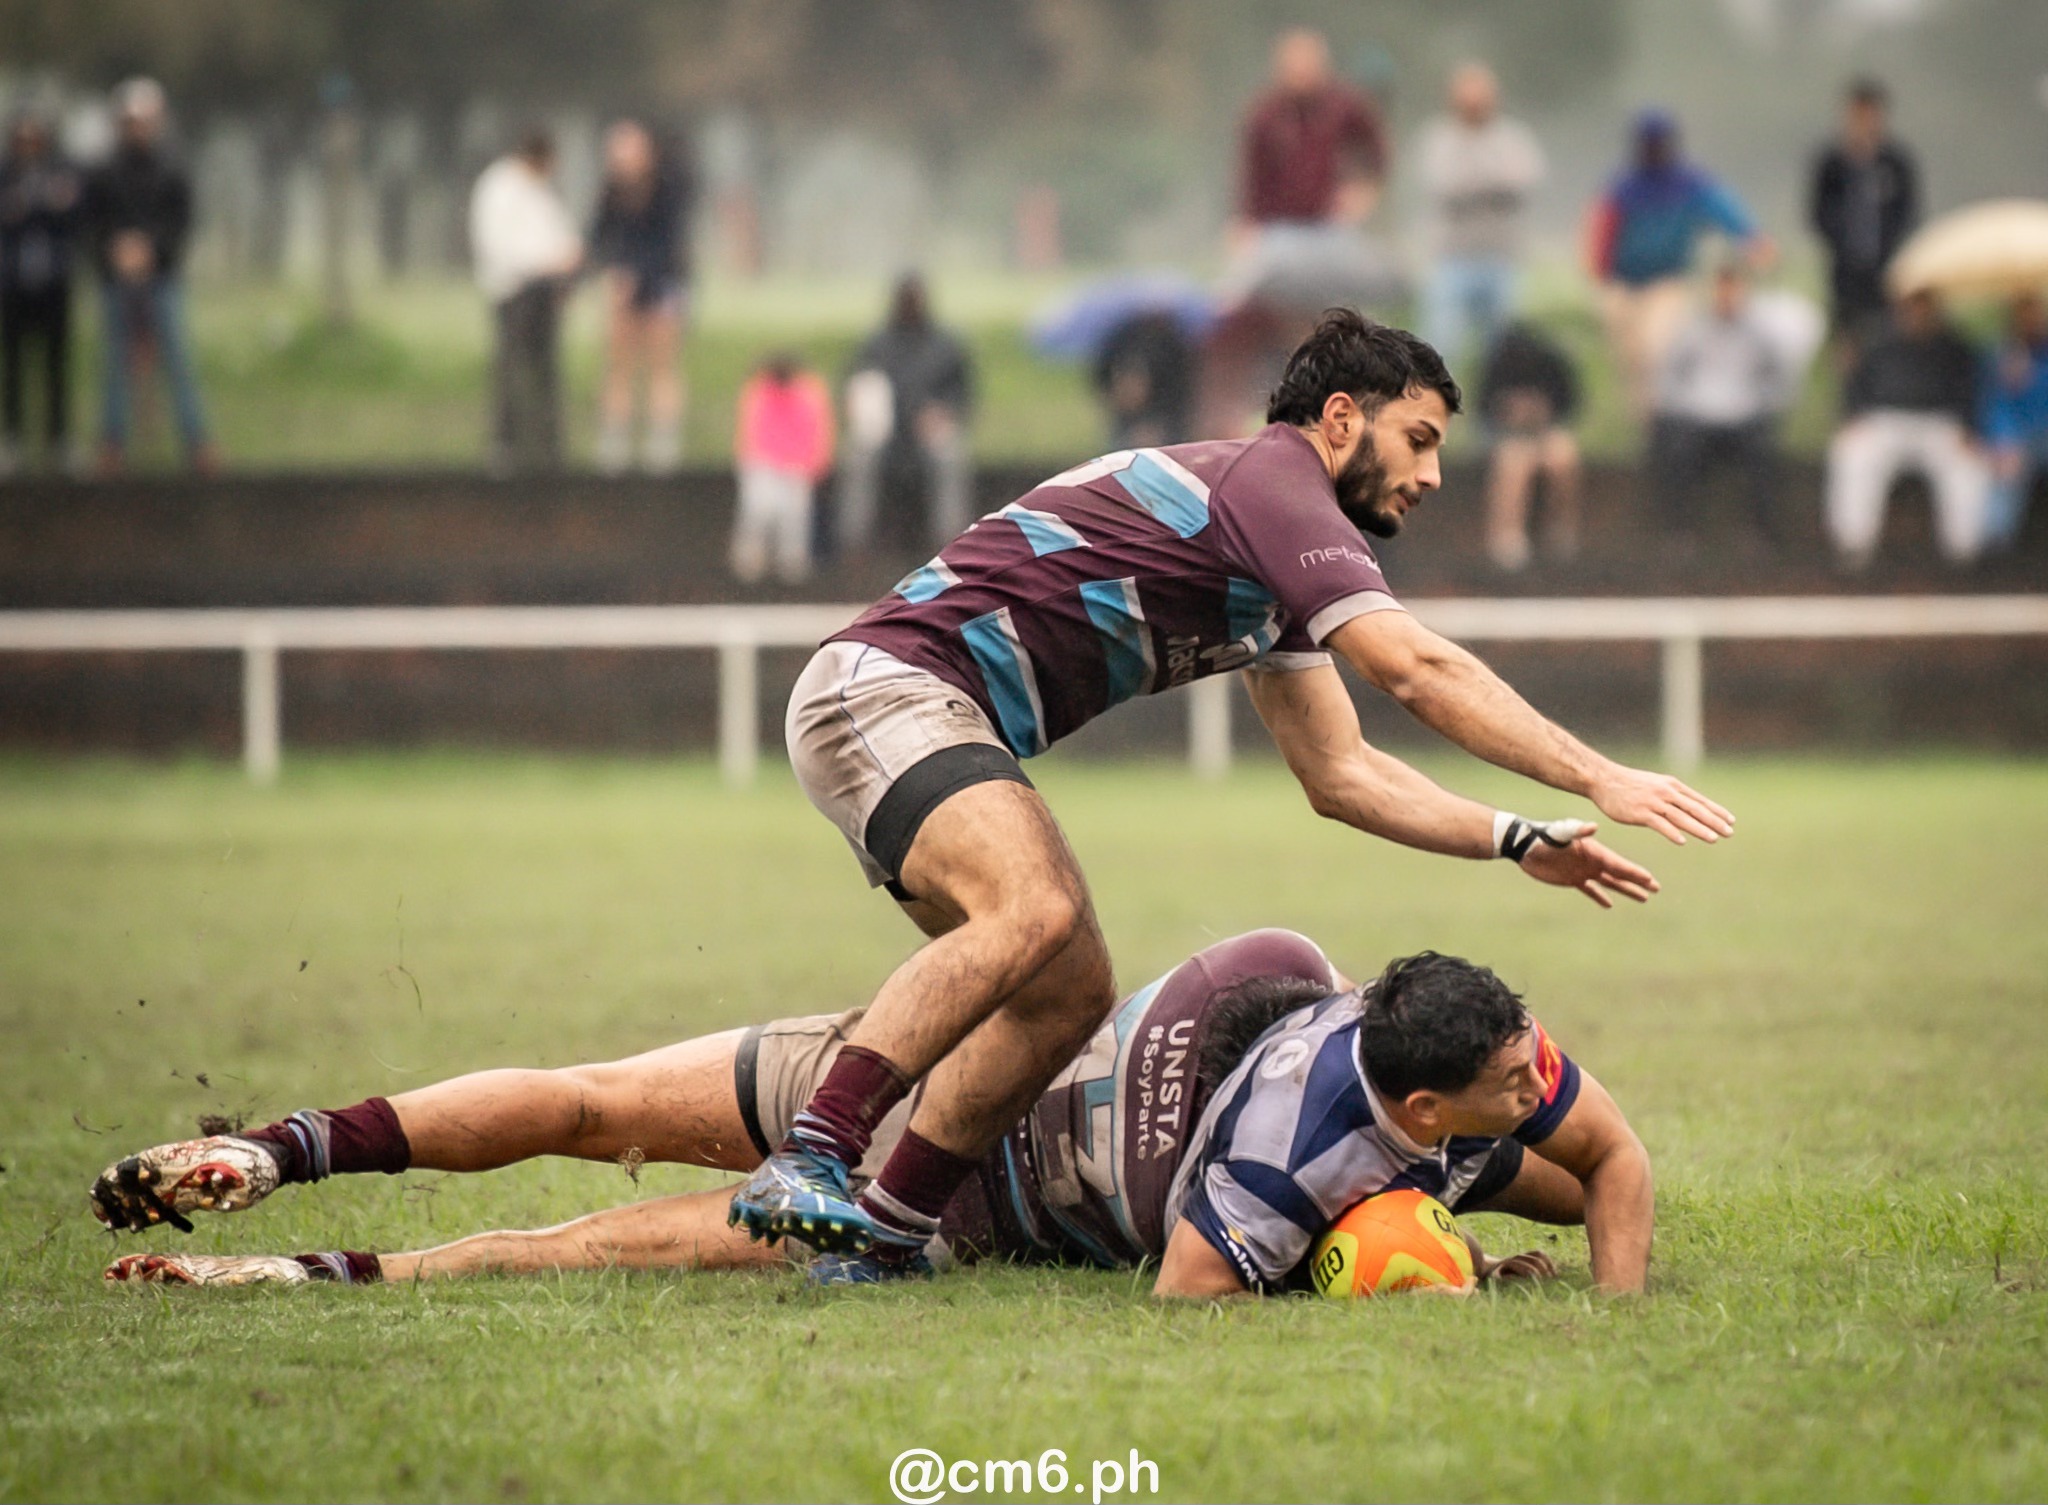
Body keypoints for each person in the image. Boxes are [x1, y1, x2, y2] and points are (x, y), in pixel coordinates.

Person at [724, 309, 1729, 1285]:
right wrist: (1600, 774)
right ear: (1340, 418)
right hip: (888, 688)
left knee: (1065, 994)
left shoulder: (1265, 547)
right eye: (1419, 440)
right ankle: (815, 1149)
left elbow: (1342, 773)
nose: (1430, 474)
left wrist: (1513, 836)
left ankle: (887, 1235)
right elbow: (1411, 666)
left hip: (920, 709)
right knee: (1035, 907)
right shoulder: (1274, 484)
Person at [88, 930, 1651, 1297]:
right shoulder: (1279, 1162)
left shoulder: (1356, 1018)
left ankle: (275, 1188)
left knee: (589, 1104)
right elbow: (1194, 1293)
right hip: (927, 1194)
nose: (1543, 1085)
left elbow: (1604, 1172)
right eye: (1517, 1080)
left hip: (895, 1071)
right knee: (583, 1216)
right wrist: (1405, 1269)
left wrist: (1570, 1286)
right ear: (1425, 1100)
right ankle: (287, 1221)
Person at [1587, 110, 1766, 421]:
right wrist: (1600, 273)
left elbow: (1725, 211)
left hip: (1666, 283)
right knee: (1633, 362)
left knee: (1658, 349)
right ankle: (1648, 426)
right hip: (1623, 284)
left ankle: (1667, 419)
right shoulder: (1623, 187)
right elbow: (1601, 231)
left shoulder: (1689, 184)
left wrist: (1752, 239)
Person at [81, 79, 214, 475]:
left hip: (162, 278)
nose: (138, 128)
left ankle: (198, 443)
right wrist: (115, 252)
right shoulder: (103, 171)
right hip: (115, 279)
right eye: (131, 121)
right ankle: (112, 444)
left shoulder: (173, 168)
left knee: (177, 360)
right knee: (116, 364)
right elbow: (92, 224)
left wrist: (150, 250)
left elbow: (182, 222)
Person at [1825, 287, 1986, 569]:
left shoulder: (1954, 345)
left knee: (1969, 466)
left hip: (1939, 424)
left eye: (1924, 305)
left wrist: (1968, 428)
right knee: (1852, 454)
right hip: (1884, 420)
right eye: (1911, 306)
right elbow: (1857, 384)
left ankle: (1963, 551)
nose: (1917, 313)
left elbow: (1969, 390)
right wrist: (1852, 416)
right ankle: (1853, 544)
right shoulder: (1874, 338)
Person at [1413, 62, 1546, 375]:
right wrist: (1493, 186)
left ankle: (1494, 403)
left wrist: (1475, 184)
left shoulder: (1513, 137)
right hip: (1451, 258)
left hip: (1501, 257)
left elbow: (1525, 181)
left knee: (1504, 348)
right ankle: (1435, 403)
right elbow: (1443, 187)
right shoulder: (1438, 139)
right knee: (1440, 344)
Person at [1647, 262, 1796, 541]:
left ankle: (1762, 529)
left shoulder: (1760, 334)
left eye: (1734, 292)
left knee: (1763, 453)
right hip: (1697, 416)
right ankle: (1678, 527)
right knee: (1676, 448)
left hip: (1745, 417)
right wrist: (1680, 405)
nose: (1727, 298)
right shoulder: (1693, 330)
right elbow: (1670, 374)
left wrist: (1763, 404)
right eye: (1722, 291)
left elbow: (1779, 377)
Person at [837, 274, 975, 557]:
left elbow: (962, 391)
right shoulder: (877, 343)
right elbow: (857, 384)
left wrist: (943, 412)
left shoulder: (945, 344)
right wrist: (859, 409)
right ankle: (853, 542)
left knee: (949, 457)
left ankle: (951, 539)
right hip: (884, 428)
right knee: (859, 458)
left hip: (930, 426)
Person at [469, 129, 581, 475]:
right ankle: (505, 445)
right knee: (511, 369)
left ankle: (548, 448)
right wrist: (547, 262)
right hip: (513, 292)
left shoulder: (540, 190)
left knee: (546, 372)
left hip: (544, 292)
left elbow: (558, 233)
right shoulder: (499, 188)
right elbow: (499, 245)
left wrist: (566, 261)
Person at [589, 120, 694, 475]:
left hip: (662, 284)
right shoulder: (610, 191)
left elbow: (669, 242)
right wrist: (611, 273)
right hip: (623, 288)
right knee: (617, 366)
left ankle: (663, 443)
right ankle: (614, 442)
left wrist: (637, 274)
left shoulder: (667, 188)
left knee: (663, 365)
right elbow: (599, 236)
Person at [1235, 28, 1388, 239]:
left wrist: (1363, 192)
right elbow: (1252, 175)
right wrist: (1246, 222)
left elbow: (1376, 149)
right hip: (1279, 227)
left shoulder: (1344, 106)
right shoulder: (1265, 115)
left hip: (1331, 223)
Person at [1808, 79, 1920, 357]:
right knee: (1846, 345)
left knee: (1887, 339)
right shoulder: (1832, 163)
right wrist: (1842, 242)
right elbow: (1818, 213)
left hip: (1886, 269)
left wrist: (1890, 247)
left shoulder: (1896, 163)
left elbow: (1907, 213)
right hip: (1844, 272)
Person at [0, 110, 83, 476]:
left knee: (56, 364)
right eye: (23, 140)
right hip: (14, 282)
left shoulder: (60, 171)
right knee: (13, 364)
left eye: (35, 139)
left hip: (54, 281)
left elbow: (74, 214)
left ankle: (58, 439)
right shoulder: (6, 174)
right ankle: (12, 437)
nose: (29, 146)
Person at [1476, 321, 1581, 572]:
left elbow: (1569, 402)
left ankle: (1559, 530)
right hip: (1509, 437)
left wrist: (1542, 411)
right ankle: (1506, 536)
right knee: (1513, 467)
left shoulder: (1551, 365)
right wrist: (1508, 413)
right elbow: (1484, 409)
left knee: (1564, 456)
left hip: (1546, 433)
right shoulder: (1498, 367)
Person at [730, 352, 834, 585]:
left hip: (796, 463)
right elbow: (750, 430)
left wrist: (816, 460)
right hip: (764, 461)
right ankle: (750, 561)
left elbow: (818, 429)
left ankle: (792, 563)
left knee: (794, 516)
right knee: (758, 510)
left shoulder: (808, 392)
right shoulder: (759, 390)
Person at [1979, 292, 2048, 554]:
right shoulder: (2001, 355)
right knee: (2005, 474)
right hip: (2020, 437)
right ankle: (1997, 546)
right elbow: (1995, 405)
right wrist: (2004, 438)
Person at [1092, 310, 1196, 449]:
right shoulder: (1122, 336)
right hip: (1127, 415)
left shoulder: (1172, 341)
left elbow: (1181, 386)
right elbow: (1103, 371)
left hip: (1162, 416)